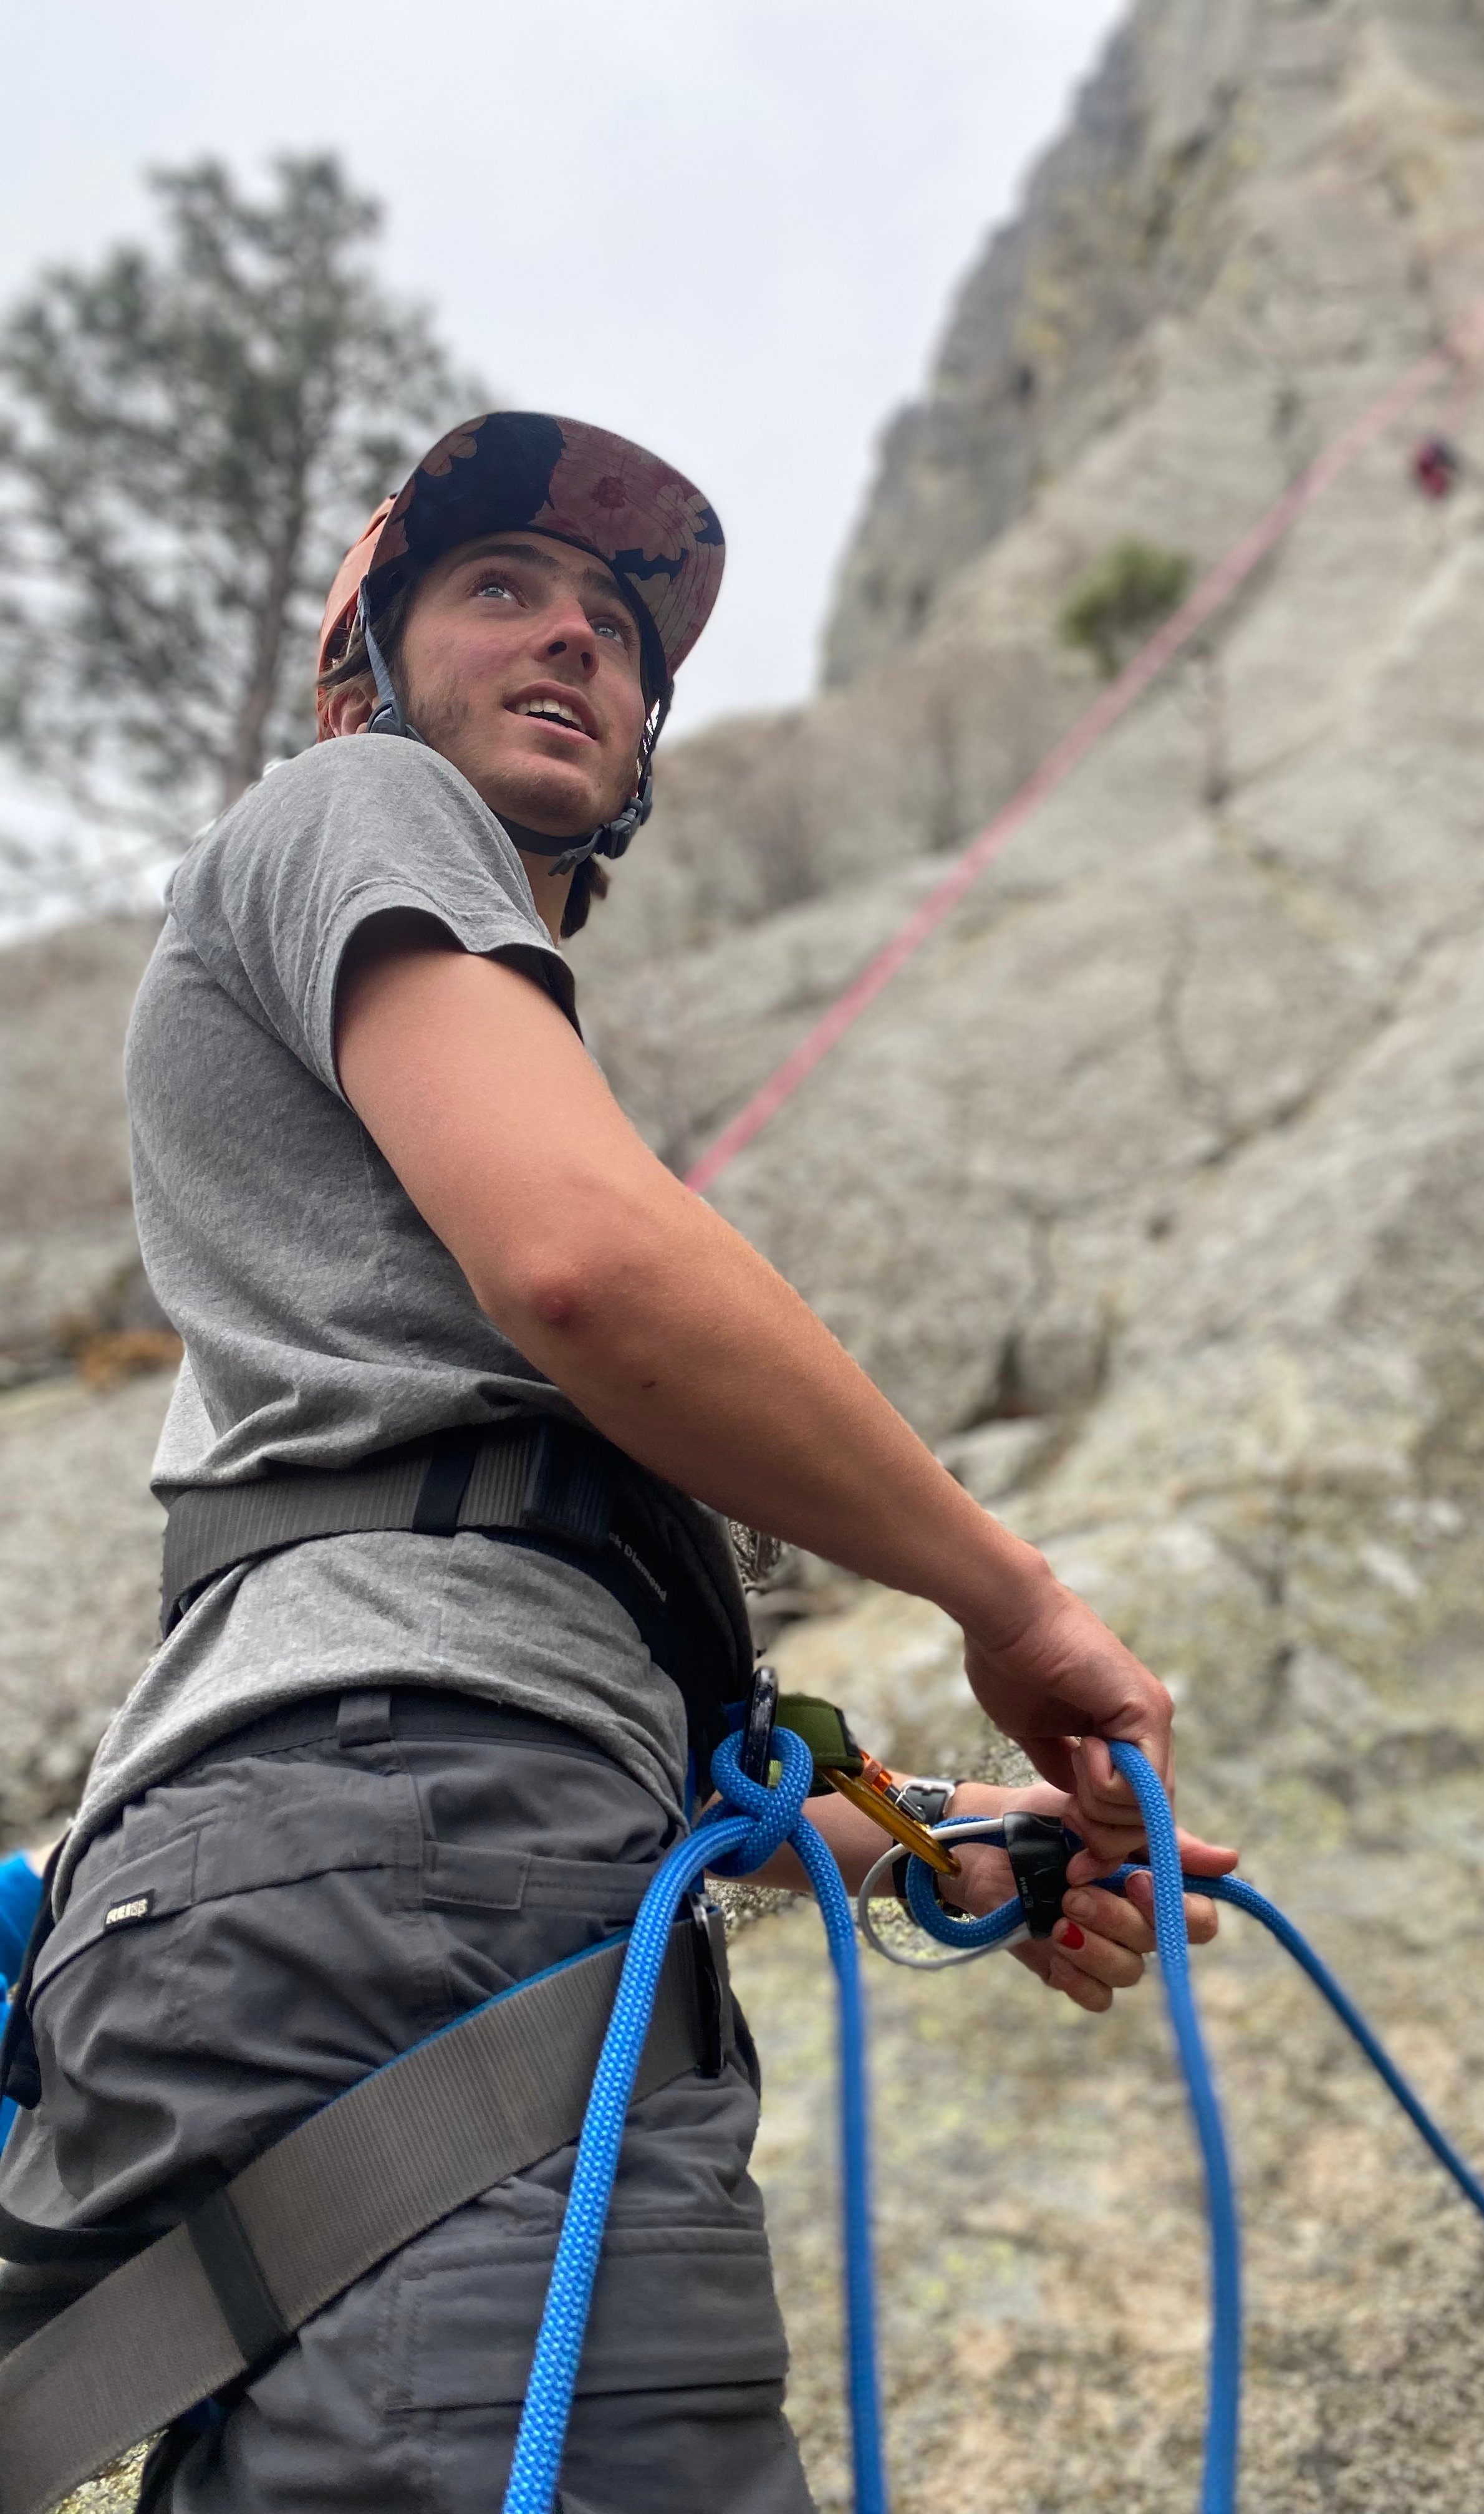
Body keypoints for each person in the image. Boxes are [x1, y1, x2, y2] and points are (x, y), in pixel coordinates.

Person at [0, 410, 1234, 2512]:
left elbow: (539, 1660)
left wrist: (946, 1842)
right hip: (415, 1864)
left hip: (360, 1871)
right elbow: (588, 1268)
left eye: (620, 634)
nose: (575, 640)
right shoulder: (353, 807)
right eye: (501, 591)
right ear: (367, 668)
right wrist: (1006, 1595)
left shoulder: (391, 1194)